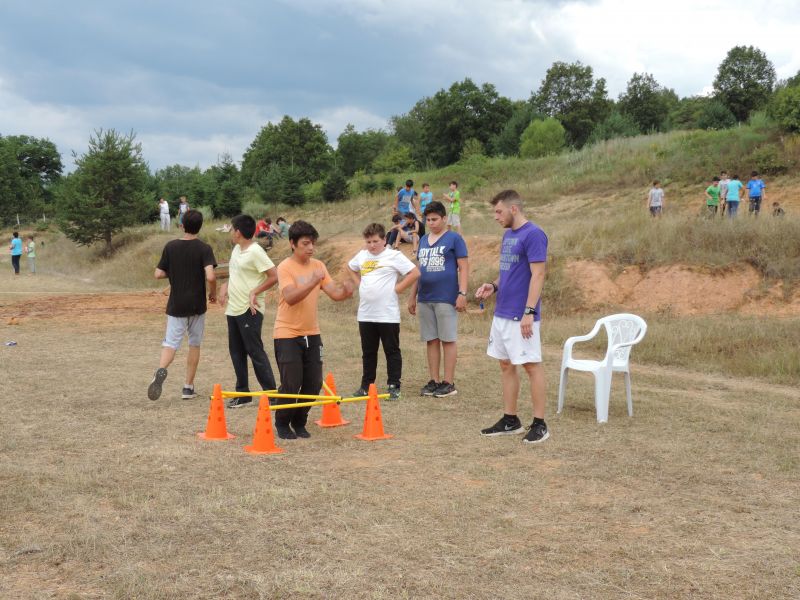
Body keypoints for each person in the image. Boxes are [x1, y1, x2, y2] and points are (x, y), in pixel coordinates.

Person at [475, 189, 549, 444]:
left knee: (530, 365)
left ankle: (540, 423)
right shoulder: (508, 235)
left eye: (498, 211)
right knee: (506, 364)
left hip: (521, 316)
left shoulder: (534, 234)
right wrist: (493, 286)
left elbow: (538, 275)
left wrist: (529, 311)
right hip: (502, 312)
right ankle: (510, 420)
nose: (496, 217)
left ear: (513, 209)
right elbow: (509, 271)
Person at [272, 220, 355, 439]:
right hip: (287, 333)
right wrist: (311, 282)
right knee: (291, 382)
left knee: (313, 383)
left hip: (312, 333)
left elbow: (334, 293)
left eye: (312, 244)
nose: (310, 248)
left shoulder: (318, 266)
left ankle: (300, 421)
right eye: (306, 243)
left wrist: (346, 291)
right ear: (292, 243)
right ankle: (282, 423)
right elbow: (290, 297)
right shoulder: (284, 267)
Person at [148, 210, 217, 401]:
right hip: (197, 304)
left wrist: (176, 272)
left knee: (170, 344)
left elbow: (158, 274)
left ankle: (160, 370)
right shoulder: (205, 248)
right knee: (194, 344)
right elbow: (210, 276)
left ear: (182, 226)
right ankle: (188, 388)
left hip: (176, 304)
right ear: (200, 226)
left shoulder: (171, 246)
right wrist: (213, 293)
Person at [347, 223, 420, 400]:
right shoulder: (362, 255)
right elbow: (349, 267)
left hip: (387, 314)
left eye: (376, 241)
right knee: (368, 352)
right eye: (369, 241)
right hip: (366, 314)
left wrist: (398, 289)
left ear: (384, 240)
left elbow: (415, 273)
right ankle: (366, 386)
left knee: (391, 350)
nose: (372, 245)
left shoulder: (393, 255)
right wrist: (359, 284)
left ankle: (394, 386)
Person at [408, 201, 469, 398]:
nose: (432, 223)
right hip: (425, 297)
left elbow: (464, 267)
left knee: (448, 339)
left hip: (446, 297)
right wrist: (412, 295)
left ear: (444, 218)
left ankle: (448, 382)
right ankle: (434, 380)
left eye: (435, 219)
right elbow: (419, 270)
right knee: (431, 339)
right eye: (428, 220)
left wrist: (462, 293)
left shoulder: (454, 239)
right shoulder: (424, 239)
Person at [218, 214, 279, 409]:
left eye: (232, 229)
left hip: (249, 309)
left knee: (254, 350)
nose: (230, 233)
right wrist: (225, 287)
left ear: (238, 231)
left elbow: (273, 276)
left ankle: (272, 394)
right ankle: (243, 393)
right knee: (236, 352)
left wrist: (255, 291)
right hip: (233, 308)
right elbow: (236, 273)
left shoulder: (256, 251)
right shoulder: (237, 249)